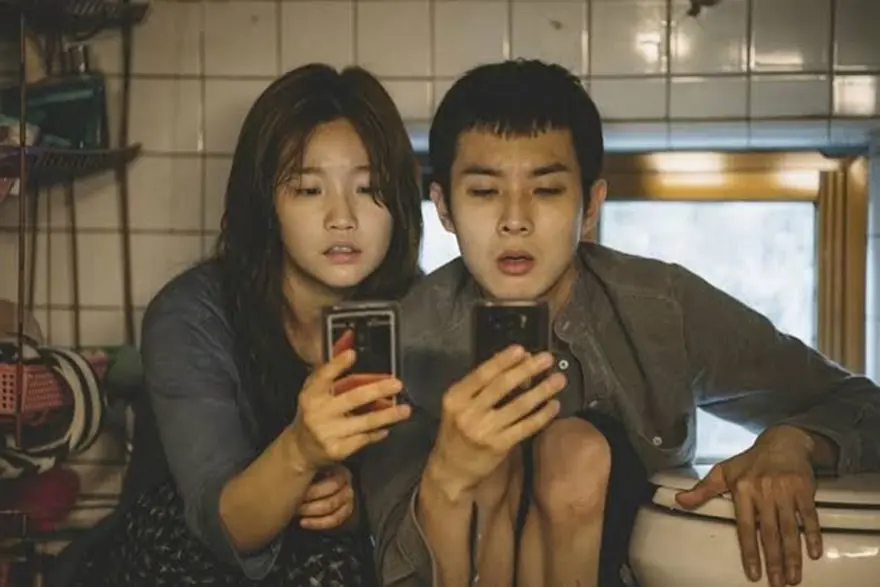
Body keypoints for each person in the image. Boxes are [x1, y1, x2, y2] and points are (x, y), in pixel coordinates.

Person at [358, 59, 880, 587]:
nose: (515, 220)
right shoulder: (402, 341)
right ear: (443, 207)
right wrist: (448, 474)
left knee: (574, 450)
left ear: (590, 206)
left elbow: (862, 403)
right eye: (484, 192)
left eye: (547, 190)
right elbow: (390, 564)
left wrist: (794, 442)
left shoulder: (661, 308)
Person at [67, 63, 423, 587]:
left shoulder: (421, 312)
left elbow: (425, 493)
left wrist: (358, 507)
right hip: (178, 552)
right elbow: (220, 522)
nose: (342, 217)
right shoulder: (192, 314)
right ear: (266, 204)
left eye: (370, 189)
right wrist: (300, 450)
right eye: (309, 190)